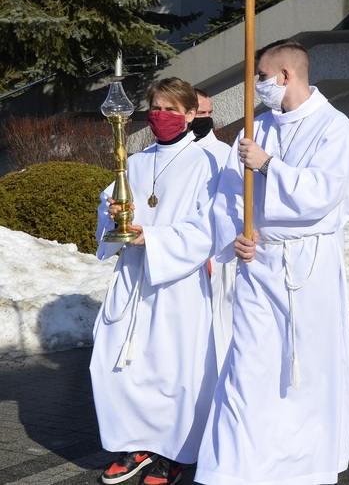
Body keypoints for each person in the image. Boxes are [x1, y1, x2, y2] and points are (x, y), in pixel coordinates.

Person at [196, 40, 349, 485]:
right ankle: (233, 468)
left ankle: (306, 467)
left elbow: (322, 196)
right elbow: (230, 195)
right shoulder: (257, 126)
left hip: (310, 264)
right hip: (258, 264)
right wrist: (240, 234)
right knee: (248, 364)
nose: (258, 86)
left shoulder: (335, 126)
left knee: (306, 369)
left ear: (286, 76)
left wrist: (269, 165)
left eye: (262, 77)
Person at [92, 77, 219, 485]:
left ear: (188, 114)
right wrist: (113, 215)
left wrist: (154, 237)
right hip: (132, 277)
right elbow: (110, 206)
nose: (160, 115)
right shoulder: (136, 160)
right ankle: (136, 445)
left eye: (170, 108)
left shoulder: (207, 163)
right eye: (155, 107)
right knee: (118, 364)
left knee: (173, 368)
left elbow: (209, 228)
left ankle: (174, 453)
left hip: (176, 280)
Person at [192, 89, 237, 373]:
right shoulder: (157, 155)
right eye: (200, 114)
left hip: (214, 254)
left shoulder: (223, 155)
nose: (206, 119)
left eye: (209, 114)